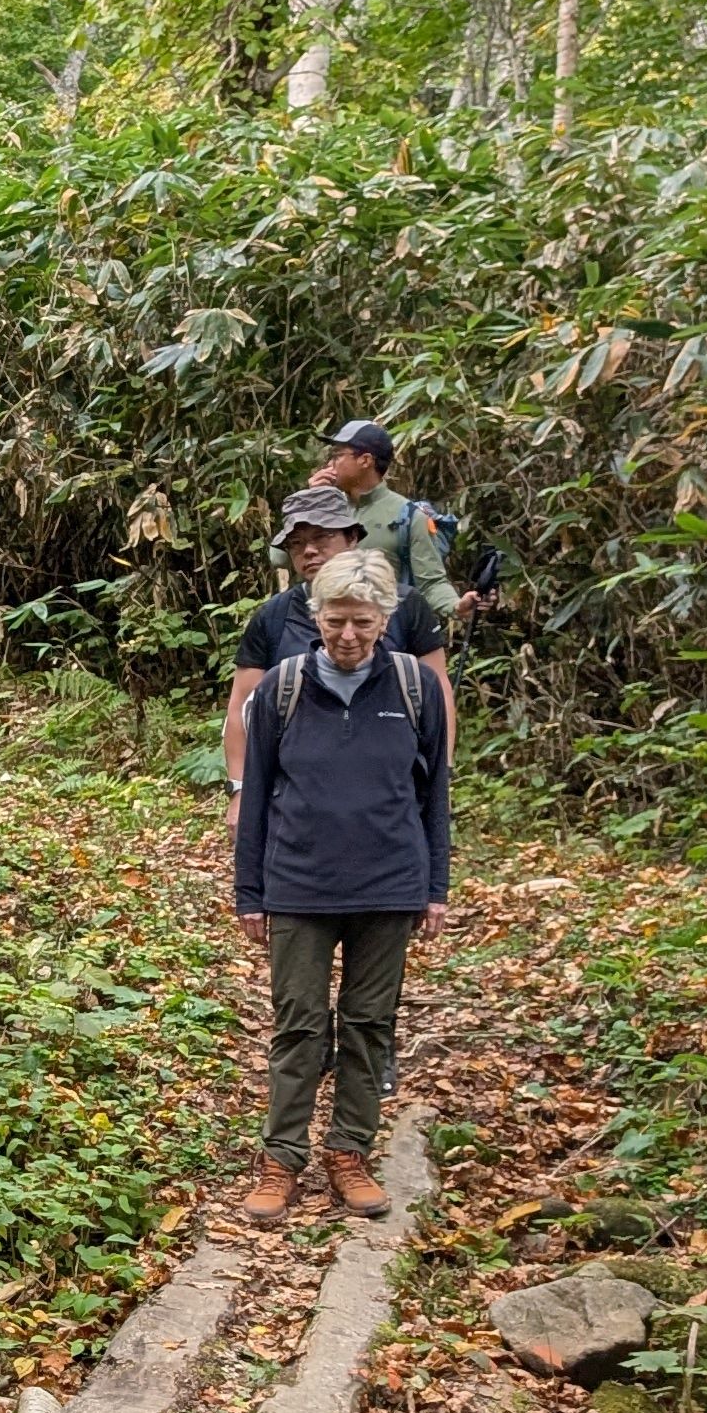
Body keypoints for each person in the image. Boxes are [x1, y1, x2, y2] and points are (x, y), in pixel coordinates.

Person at [232, 547, 451, 1222]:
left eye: (362, 621)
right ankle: (281, 1159)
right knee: (298, 1025)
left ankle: (349, 1151)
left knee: (368, 1026)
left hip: (389, 885)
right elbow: (258, 793)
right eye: (335, 620)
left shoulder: (415, 689)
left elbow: (434, 791)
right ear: (316, 617)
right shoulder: (284, 688)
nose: (349, 635)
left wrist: (435, 887)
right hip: (299, 884)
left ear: (385, 619)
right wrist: (250, 892)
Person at [222, 481, 450, 792]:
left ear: (352, 537)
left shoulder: (402, 606)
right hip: (297, 795)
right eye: (297, 543)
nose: (309, 551)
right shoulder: (274, 617)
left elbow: (439, 693)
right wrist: (238, 788)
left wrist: (441, 775)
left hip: (391, 790)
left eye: (321, 537)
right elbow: (241, 709)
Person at [315, 418, 462, 627]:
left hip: (386, 636)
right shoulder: (324, 508)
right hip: (324, 631)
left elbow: (431, 583)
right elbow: (280, 558)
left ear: (365, 460)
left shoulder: (409, 517)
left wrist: (457, 606)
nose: (330, 464)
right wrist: (310, 502)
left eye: (337, 455)